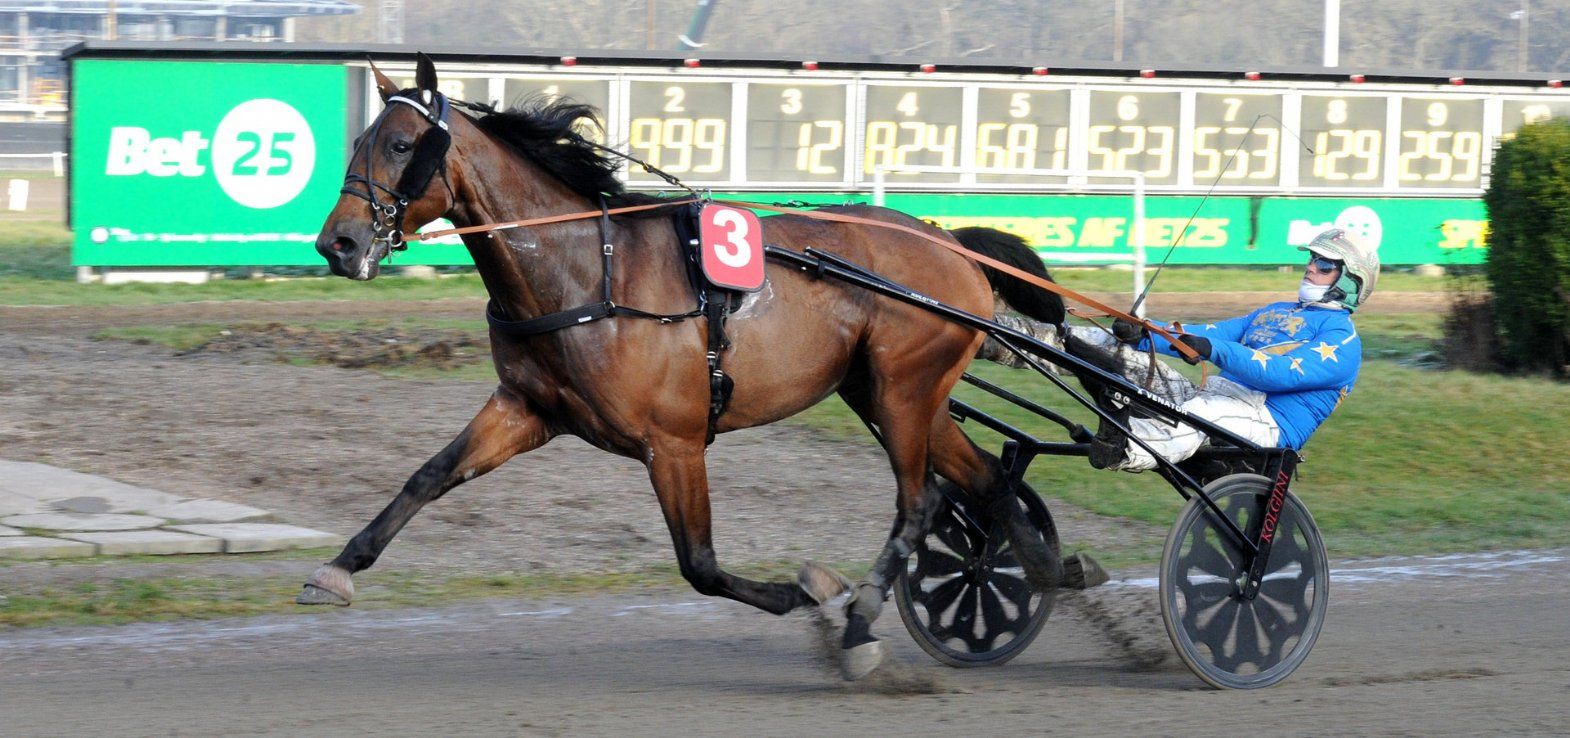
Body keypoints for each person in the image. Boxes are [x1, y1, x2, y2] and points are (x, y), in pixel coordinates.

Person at [979, 228, 1378, 472]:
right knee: (1113, 351)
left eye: (1324, 265)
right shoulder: (1275, 311)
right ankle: (995, 336)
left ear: (1349, 281)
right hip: (1217, 398)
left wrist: (1212, 350)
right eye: (1312, 260)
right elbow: (1208, 333)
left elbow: (1278, 372)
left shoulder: (1342, 342)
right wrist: (1143, 336)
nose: (1310, 268)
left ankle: (1123, 446)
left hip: (1267, 424)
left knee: (1191, 415)